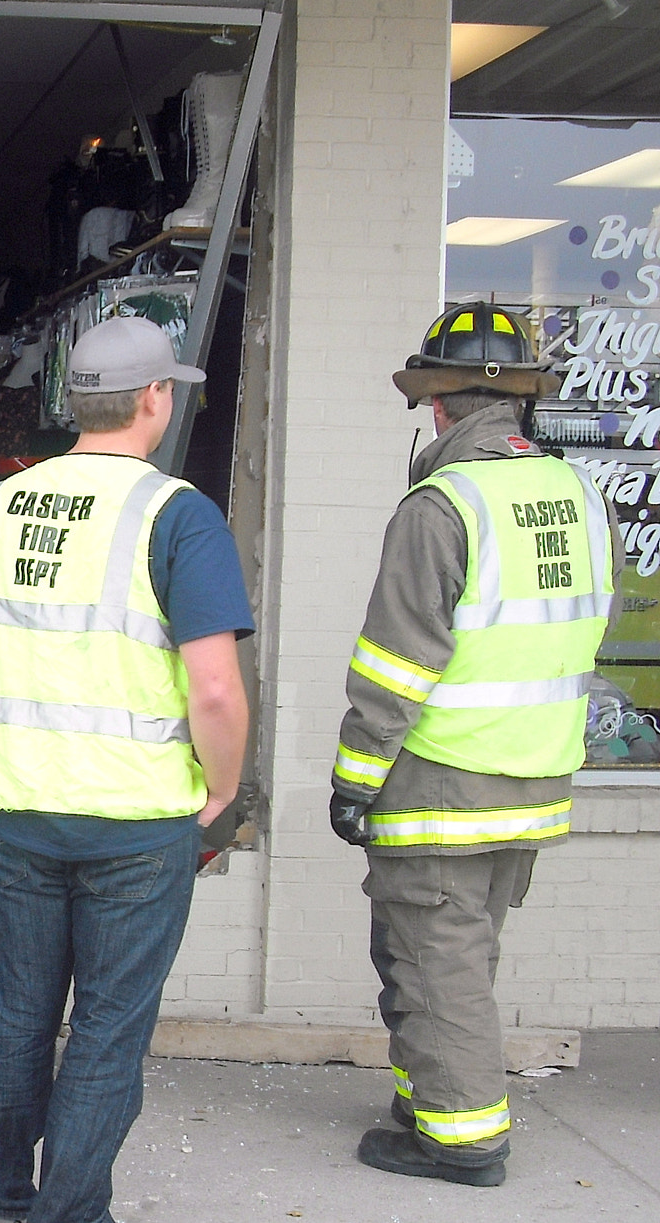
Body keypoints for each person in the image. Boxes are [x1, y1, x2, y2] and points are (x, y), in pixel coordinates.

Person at [0, 315, 252, 1223]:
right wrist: (221, 789)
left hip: (19, 809)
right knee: (108, 1024)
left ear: (77, 402)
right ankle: (68, 1212)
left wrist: (11, 737)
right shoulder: (175, 515)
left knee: (18, 1011)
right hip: (139, 823)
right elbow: (216, 691)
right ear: (156, 398)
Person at [329, 303, 614, 1188]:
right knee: (456, 949)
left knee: (435, 959)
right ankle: (428, 1098)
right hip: (533, 772)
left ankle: (460, 1139)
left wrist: (354, 779)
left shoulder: (443, 504)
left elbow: (395, 663)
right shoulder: (573, 494)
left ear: (441, 403)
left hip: (446, 777)